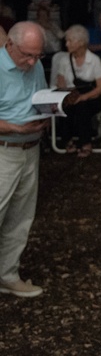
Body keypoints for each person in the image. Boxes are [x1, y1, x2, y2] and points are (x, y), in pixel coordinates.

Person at [0, 22, 50, 298]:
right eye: (27, 55)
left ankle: (7, 275)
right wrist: (16, 128)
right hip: (4, 149)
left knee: (20, 217)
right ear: (9, 45)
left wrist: (50, 112)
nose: (32, 62)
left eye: (38, 55)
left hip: (30, 149)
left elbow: (39, 98)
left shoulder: (36, 65)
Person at [50, 25, 101, 157]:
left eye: (70, 41)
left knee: (82, 106)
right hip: (71, 94)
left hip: (91, 97)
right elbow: (61, 83)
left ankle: (86, 142)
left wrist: (84, 97)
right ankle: (67, 139)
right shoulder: (64, 60)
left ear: (81, 43)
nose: (66, 44)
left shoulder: (94, 60)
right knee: (66, 105)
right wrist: (68, 95)